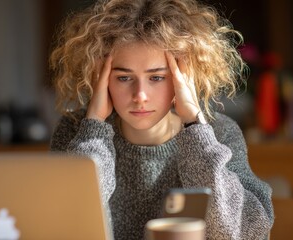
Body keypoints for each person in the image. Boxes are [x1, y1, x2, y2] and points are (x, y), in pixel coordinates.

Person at [49, 0, 274, 239]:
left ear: (184, 76)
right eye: (124, 78)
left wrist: (196, 130)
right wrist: (93, 127)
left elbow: (245, 233)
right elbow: (63, 226)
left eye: (156, 78)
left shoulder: (218, 133)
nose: (140, 96)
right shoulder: (77, 132)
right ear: (99, 78)